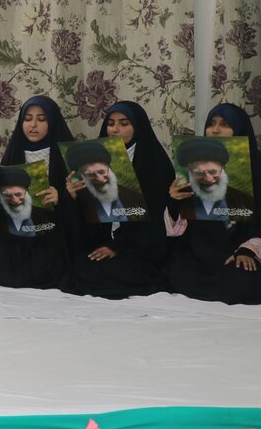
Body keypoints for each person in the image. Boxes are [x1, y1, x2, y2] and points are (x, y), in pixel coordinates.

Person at [64, 101, 169, 299]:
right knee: (79, 266)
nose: (115, 129)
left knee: (120, 270)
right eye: (111, 123)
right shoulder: (93, 160)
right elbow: (90, 219)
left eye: (124, 123)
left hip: (140, 248)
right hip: (103, 241)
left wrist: (117, 247)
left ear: (137, 127)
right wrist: (74, 196)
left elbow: (155, 221)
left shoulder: (153, 162)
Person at [164, 103, 261, 303]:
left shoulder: (257, 171)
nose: (215, 130)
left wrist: (247, 250)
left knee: (245, 278)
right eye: (211, 124)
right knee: (176, 271)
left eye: (225, 124)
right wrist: (175, 201)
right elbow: (182, 228)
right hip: (200, 255)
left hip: (239, 253)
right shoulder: (192, 179)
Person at [0, 163, 66, 289]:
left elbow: (61, 232)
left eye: (18, 194)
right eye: (7, 195)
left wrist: (60, 202)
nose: (15, 200)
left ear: (26, 192)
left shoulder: (44, 213)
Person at [63, 140, 146, 224]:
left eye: (102, 172)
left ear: (110, 168)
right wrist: (71, 199)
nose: (100, 179)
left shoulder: (134, 197)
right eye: (91, 175)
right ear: (82, 176)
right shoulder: (78, 200)